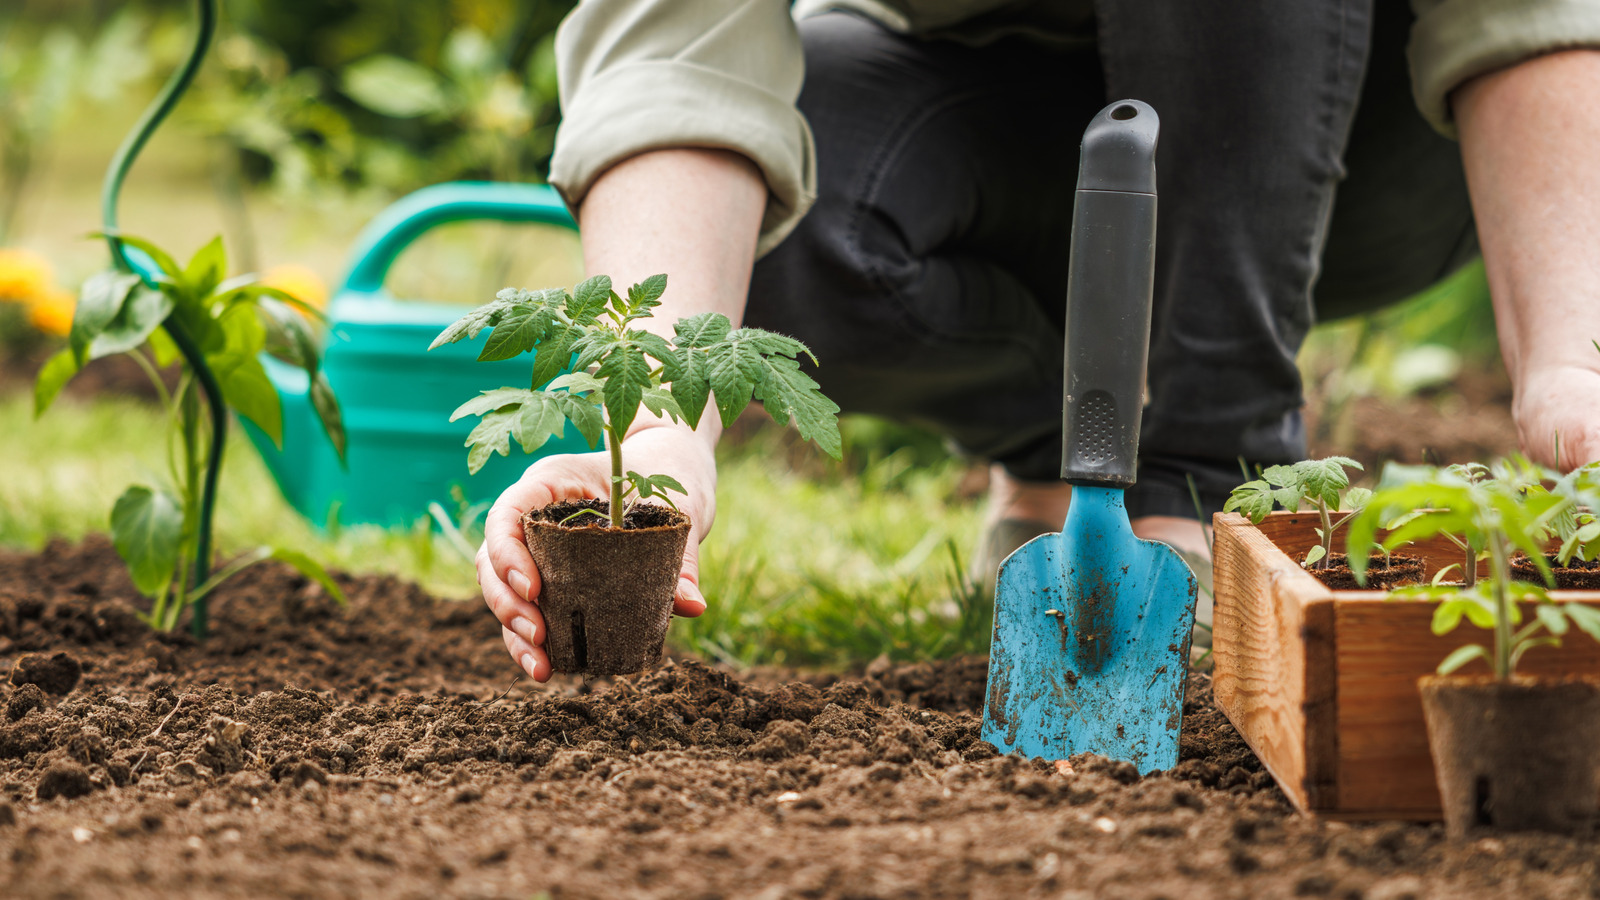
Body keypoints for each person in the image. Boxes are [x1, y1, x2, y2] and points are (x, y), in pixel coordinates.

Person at [476, 0, 1600, 682]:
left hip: (1366, 138)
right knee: (796, 228)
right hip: (1005, 109)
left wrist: (1570, 358)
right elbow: (675, 59)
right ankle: (1078, 465)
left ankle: (1201, 474)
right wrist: (666, 439)